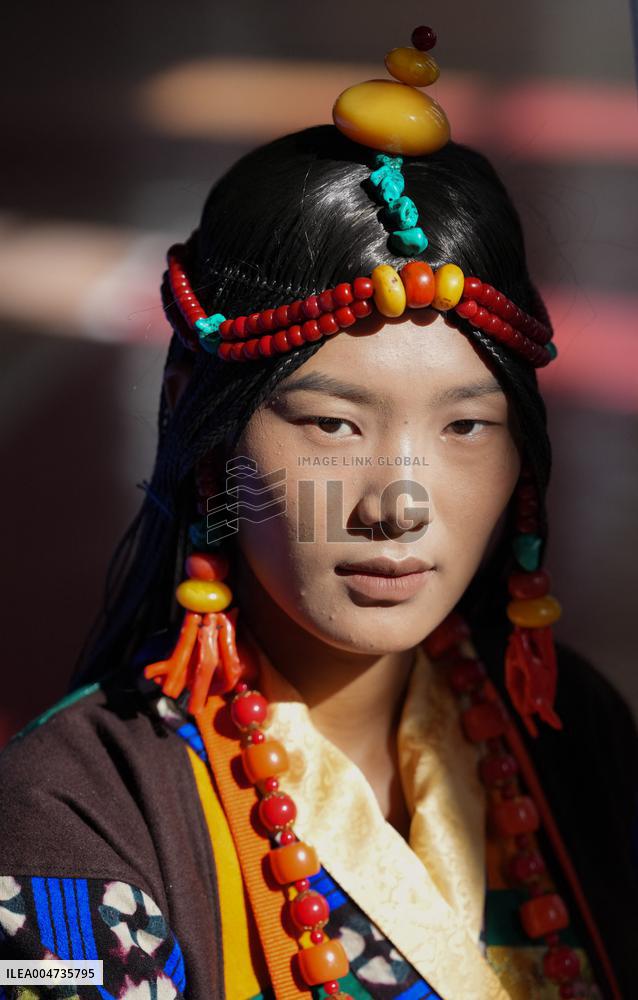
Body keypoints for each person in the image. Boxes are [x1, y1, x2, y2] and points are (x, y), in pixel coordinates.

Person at [1, 25, 636, 1000]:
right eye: (335, 423)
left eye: (465, 425)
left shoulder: (567, 733)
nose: (398, 504)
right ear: (198, 421)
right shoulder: (74, 810)